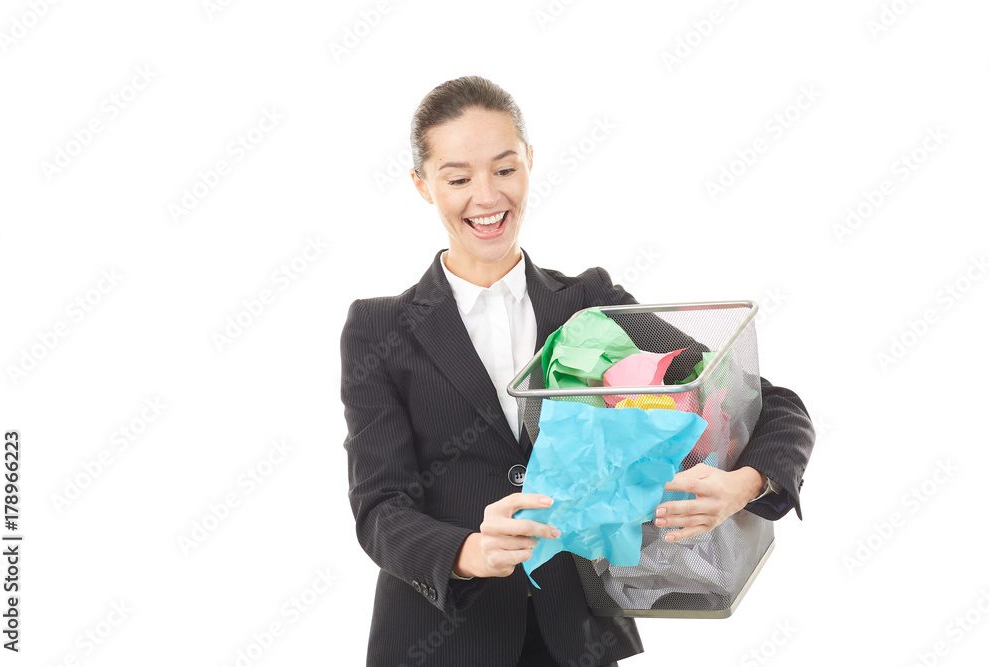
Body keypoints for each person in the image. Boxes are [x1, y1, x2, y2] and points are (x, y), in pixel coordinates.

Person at [340, 75, 815, 666]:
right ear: (422, 184)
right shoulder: (380, 328)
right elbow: (379, 507)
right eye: (458, 178)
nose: (486, 197)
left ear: (531, 163)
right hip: (438, 642)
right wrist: (468, 549)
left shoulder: (588, 303)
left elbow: (769, 404)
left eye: (505, 169)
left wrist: (743, 486)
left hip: (574, 638)